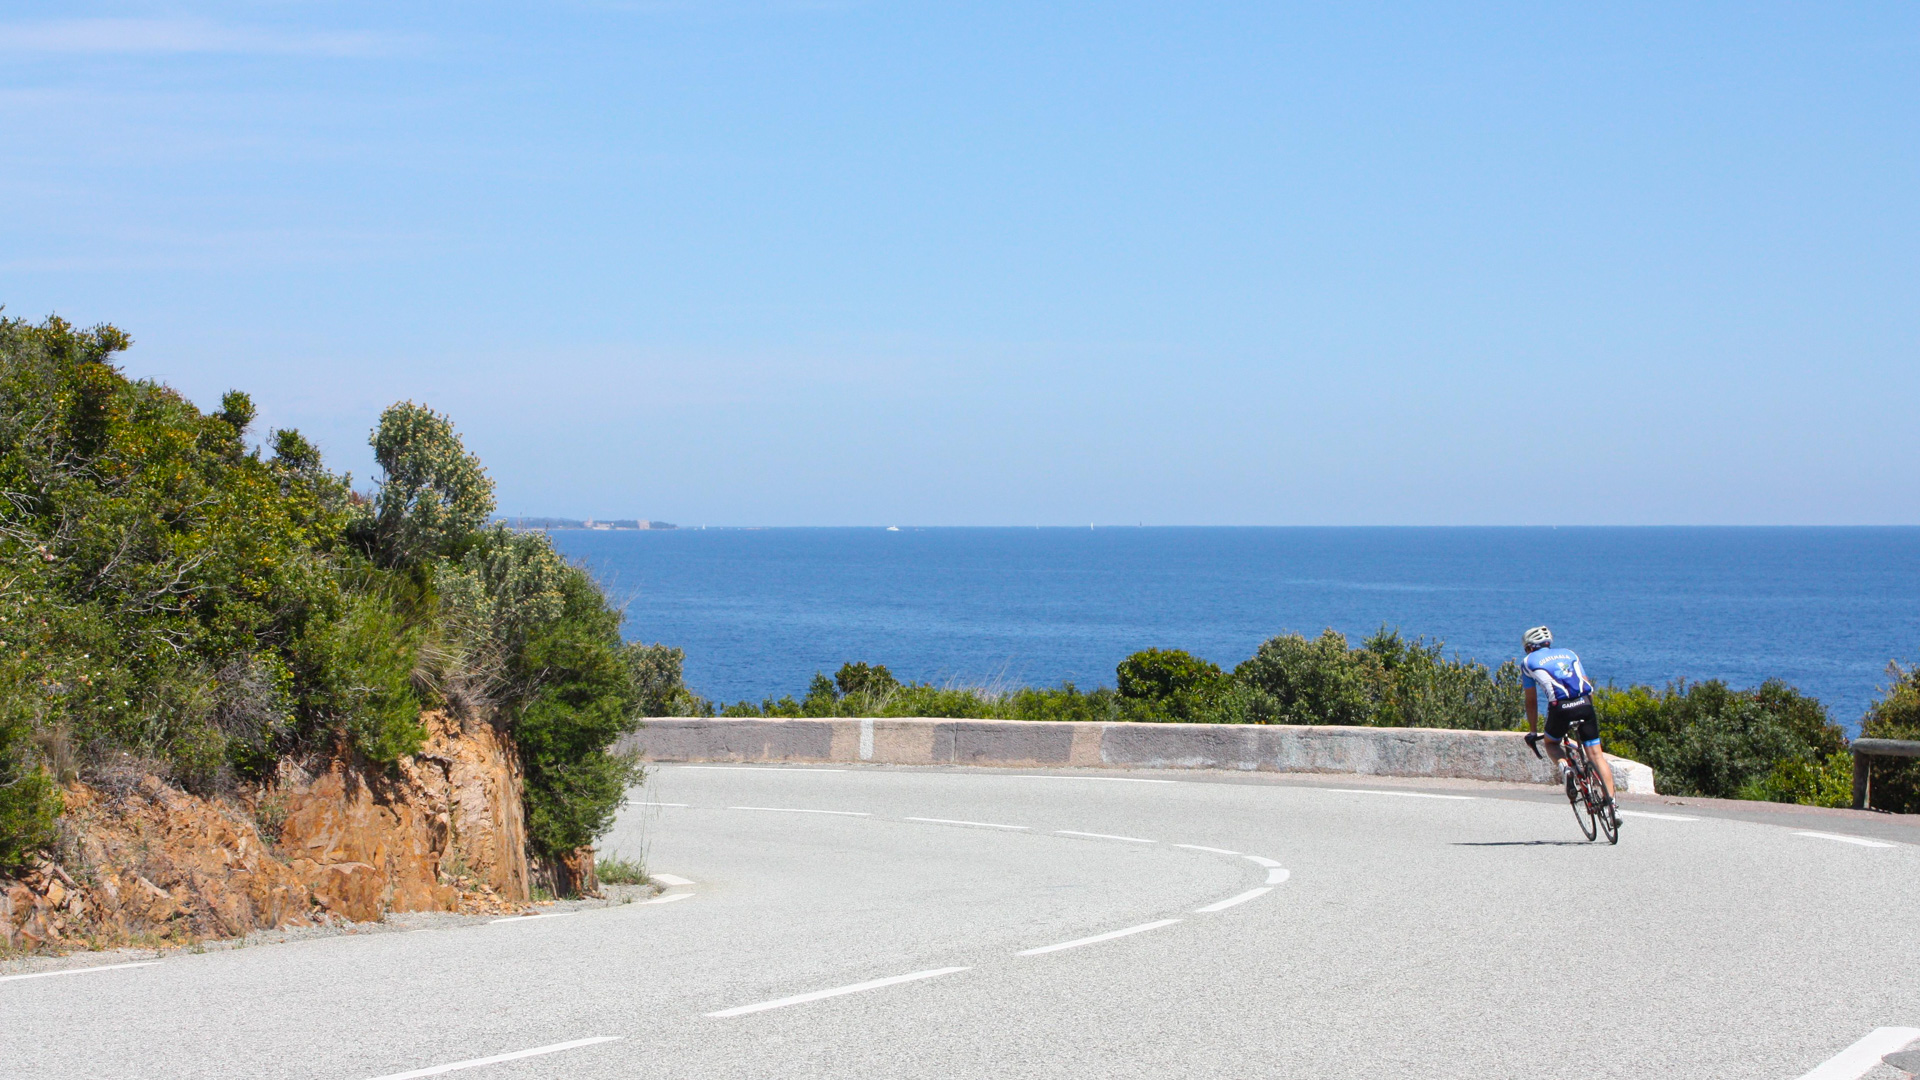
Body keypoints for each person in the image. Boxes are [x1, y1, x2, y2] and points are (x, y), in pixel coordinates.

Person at [1520, 625, 1617, 808]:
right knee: (1596, 755)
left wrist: (1533, 731)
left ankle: (1565, 767)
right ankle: (1612, 805)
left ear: (1529, 647)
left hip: (1560, 709)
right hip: (1585, 704)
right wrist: (1588, 711)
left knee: (1551, 743)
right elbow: (1587, 684)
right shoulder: (1569, 653)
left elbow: (1531, 701)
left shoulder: (1527, 662)